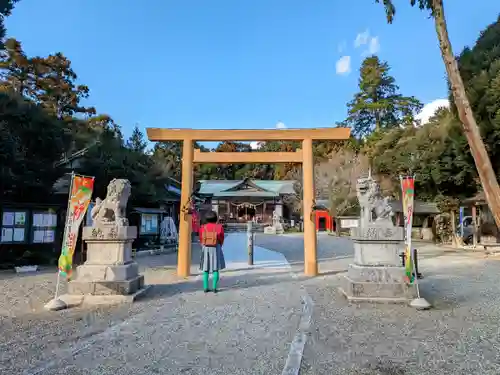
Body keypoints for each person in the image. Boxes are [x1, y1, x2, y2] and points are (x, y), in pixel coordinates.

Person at [199, 210, 225, 293]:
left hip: (206, 247)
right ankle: (214, 287)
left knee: (205, 268)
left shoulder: (203, 227)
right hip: (216, 247)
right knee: (215, 268)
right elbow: (221, 238)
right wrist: (219, 245)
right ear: (216, 218)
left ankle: (205, 287)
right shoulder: (219, 227)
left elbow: (201, 238)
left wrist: (204, 245)